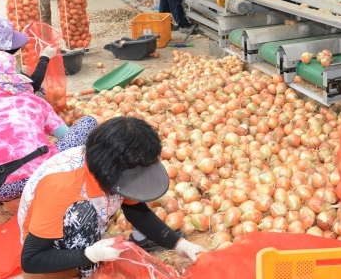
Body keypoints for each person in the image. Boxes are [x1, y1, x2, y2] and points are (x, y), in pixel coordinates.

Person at [18, 116, 207, 278]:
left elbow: (138, 213)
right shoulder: (60, 187)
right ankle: (87, 272)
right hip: (51, 248)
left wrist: (179, 243)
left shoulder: (118, 167)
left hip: (83, 225)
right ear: (109, 173)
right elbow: (31, 259)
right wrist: (89, 254)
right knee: (83, 213)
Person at [0, 52, 97, 203]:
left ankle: (10, 194)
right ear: (17, 80)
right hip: (41, 178)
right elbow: (66, 136)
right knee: (88, 123)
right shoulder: (35, 102)